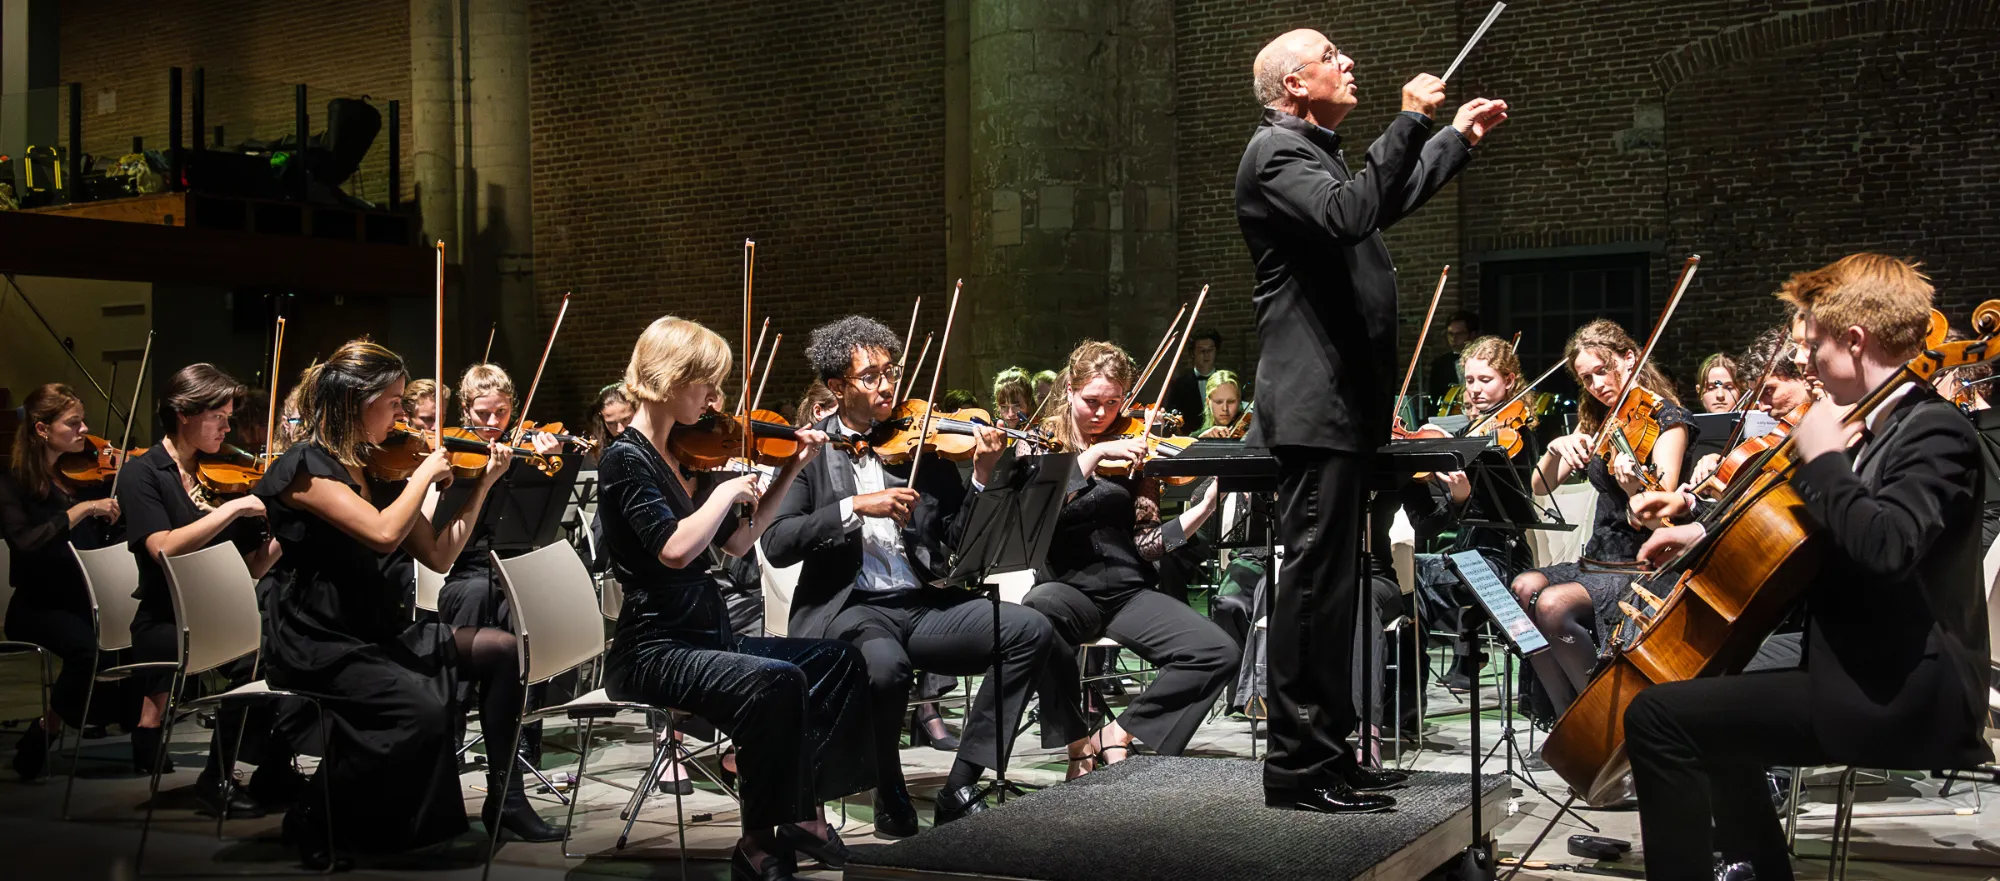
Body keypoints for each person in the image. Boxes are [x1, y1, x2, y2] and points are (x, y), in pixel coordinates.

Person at [1621, 254, 1990, 881]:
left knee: (1655, 718)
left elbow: (1887, 547)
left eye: (1815, 348)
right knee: (1709, 704)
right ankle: (1759, 869)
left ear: (1854, 341)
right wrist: (1699, 532)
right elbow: (1793, 531)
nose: (1808, 365)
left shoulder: (1934, 431)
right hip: (1857, 670)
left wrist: (1823, 463)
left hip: (1904, 692)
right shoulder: (1876, 429)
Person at [1235, 25, 1507, 814]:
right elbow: (1353, 214)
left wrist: (1451, 137)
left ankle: (1332, 754)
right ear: (1293, 84)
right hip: (1315, 410)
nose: (1348, 61)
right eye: (1330, 56)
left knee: (1338, 591)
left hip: (1347, 410)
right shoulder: (1275, 155)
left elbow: (1379, 198)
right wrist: (1411, 120)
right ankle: (1296, 766)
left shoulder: (1315, 151)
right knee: (1314, 591)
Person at [762, 315, 1084, 835]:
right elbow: (777, 543)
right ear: (838, 386)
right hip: (852, 609)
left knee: (1031, 631)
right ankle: (888, 783)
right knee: (886, 669)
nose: (887, 385)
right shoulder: (810, 451)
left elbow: (959, 542)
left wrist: (980, 477)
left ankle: (961, 781)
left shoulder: (923, 446)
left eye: (893, 372)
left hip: (922, 601)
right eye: (872, 376)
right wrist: (854, 507)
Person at [252, 340, 558, 867]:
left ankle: (505, 797)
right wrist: (422, 476)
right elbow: (380, 533)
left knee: (502, 650)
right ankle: (313, 811)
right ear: (356, 401)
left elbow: (438, 556)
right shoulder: (305, 468)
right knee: (424, 712)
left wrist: (483, 484)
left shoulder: (374, 466)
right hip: (321, 636)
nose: (403, 415)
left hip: (377, 625)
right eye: (394, 402)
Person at [596, 317, 872, 879]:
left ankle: (805, 815)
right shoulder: (626, 459)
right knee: (774, 680)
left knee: (838, 659)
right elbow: (673, 550)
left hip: (704, 633)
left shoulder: (680, 455)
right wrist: (723, 490)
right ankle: (758, 840)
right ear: (672, 380)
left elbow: (743, 542)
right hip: (654, 647)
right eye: (706, 384)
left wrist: (791, 468)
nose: (715, 399)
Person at [1021, 340, 1238, 779]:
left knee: (1218, 651)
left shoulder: (1133, 449)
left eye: (1113, 402)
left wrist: (1204, 509)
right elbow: (1036, 522)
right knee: (1036, 615)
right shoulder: (1039, 444)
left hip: (1127, 592)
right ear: (1069, 391)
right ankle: (1077, 743)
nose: (1103, 413)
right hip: (1065, 589)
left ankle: (1119, 734)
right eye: (1092, 402)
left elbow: (1148, 545)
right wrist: (1095, 455)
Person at [118, 364, 289, 815]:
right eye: (219, 416)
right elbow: (163, 550)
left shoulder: (223, 473)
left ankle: (268, 767)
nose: (228, 427)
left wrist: (282, 537)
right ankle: (219, 779)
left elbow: (251, 569)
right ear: (183, 413)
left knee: (286, 648)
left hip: (220, 613)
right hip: (166, 619)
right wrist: (231, 510)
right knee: (260, 653)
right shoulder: (143, 474)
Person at [1509, 320, 1691, 725]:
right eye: (1586, 377)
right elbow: (1540, 485)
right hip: (1598, 558)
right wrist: (1557, 448)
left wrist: (1632, 489)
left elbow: (1662, 522)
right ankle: (1565, 719)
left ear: (1629, 358)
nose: (1595, 384)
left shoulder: (1667, 422)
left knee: (1554, 605)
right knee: (1522, 588)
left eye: (1601, 371)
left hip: (1641, 564)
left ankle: (1602, 722)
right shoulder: (1601, 418)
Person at [431, 363, 567, 802]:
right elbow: (437, 532)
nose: (493, 425)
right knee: (474, 596)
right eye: (483, 414)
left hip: (515, 566)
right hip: (466, 570)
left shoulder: (524, 447)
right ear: (466, 410)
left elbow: (541, 523)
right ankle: (449, 728)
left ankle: (525, 737)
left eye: (502, 414)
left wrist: (549, 462)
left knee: (538, 613)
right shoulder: (455, 454)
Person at [1402, 336, 1539, 692]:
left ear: (1509, 381)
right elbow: (1440, 516)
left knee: (1413, 577)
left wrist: (1463, 498)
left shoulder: (1516, 435)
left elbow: (1509, 505)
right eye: (1470, 380)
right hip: (1466, 551)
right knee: (1403, 569)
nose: (1475, 389)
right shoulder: (1466, 434)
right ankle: (1415, 674)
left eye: (1486, 380)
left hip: (1499, 554)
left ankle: (1411, 682)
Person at [1, 384, 122, 781]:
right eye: (73, 423)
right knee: (88, 652)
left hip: (83, 600)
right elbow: (26, 542)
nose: (84, 430)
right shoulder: (12, 482)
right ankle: (45, 730)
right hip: (36, 606)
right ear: (41, 429)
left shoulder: (81, 475)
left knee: (128, 642)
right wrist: (84, 509)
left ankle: (140, 732)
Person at [1164, 329, 1224, 429]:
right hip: (1191, 439)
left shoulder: (1226, 381)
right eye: (1201, 350)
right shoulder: (1179, 385)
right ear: (1192, 353)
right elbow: (1171, 413)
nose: (1206, 355)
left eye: (1210, 350)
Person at [1426, 311, 1480, 415]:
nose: (1453, 339)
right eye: (1450, 334)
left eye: (1459, 334)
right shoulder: (1440, 364)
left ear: (1472, 334)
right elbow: (1434, 399)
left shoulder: (1485, 360)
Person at [585, 383, 635, 466]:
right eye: (611, 423)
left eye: (625, 419)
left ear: (636, 411)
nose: (620, 429)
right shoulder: (595, 452)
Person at [1195, 369, 1245, 436]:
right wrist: (1201, 441)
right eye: (1219, 402)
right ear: (1208, 402)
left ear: (1239, 401)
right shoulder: (1196, 438)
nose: (1225, 408)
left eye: (1231, 402)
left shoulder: (1251, 432)